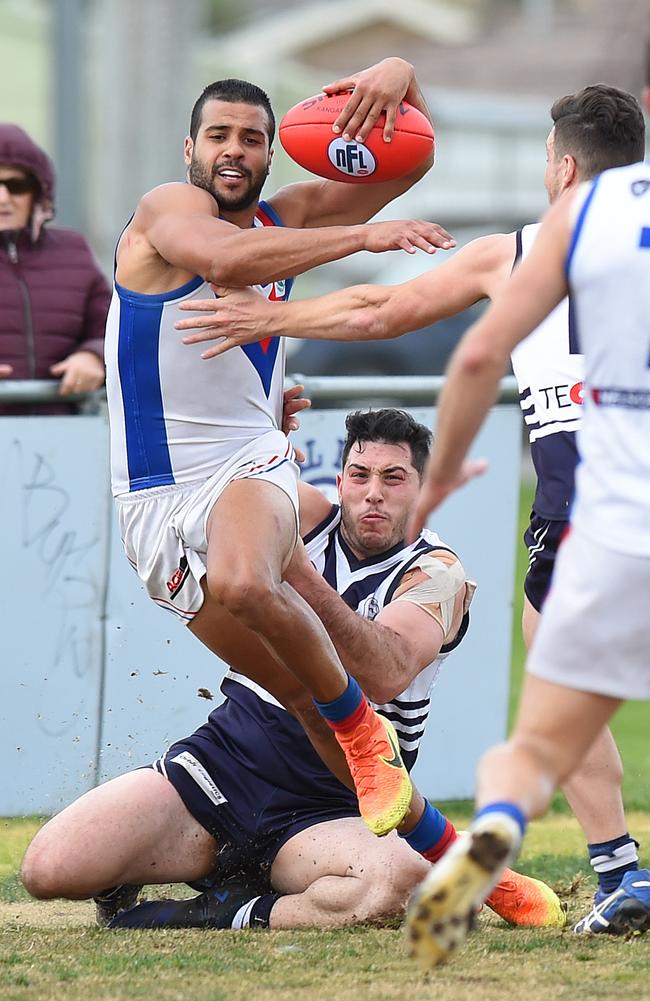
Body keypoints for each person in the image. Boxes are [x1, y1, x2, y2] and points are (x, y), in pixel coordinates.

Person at [173, 84, 646, 929]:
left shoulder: (524, 250)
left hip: (598, 495)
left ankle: (620, 877)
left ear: (563, 166)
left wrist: (267, 315)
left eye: (545, 158)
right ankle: (618, 875)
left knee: (561, 684)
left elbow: (386, 306)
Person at [20, 408, 563, 933]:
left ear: (423, 490)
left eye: (394, 479)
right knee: (48, 870)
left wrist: (298, 574)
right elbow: (220, 479)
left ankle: (216, 910)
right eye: (360, 475)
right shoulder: (304, 515)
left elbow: (386, 672)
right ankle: (164, 868)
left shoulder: (438, 573)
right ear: (342, 480)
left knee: (400, 883)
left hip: (330, 797)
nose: (373, 492)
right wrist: (254, 443)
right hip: (226, 762)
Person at [102, 58, 457, 839]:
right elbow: (225, 264)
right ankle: (454, 860)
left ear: (275, 152)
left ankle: (369, 738)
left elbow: (415, 156)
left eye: (254, 138)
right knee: (298, 692)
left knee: (245, 581)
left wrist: (400, 77)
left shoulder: (284, 219)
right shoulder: (166, 209)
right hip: (154, 501)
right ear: (188, 149)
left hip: (250, 465)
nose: (236, 149)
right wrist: (363, 236)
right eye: (219, 135)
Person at [401, 154, 650, 967]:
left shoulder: (561, 228)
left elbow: (471, 355)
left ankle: (533, 849)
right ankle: (617, 879)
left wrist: (437, 478)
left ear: (564, 162)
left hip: (600, 515)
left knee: (539, 742)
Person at [0, 124, 109, 414]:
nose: (3, 198)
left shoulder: (74, 251)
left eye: (17, 185)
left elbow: (116, 328)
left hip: (62, 443)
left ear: (38, 191)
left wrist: (95, 357)